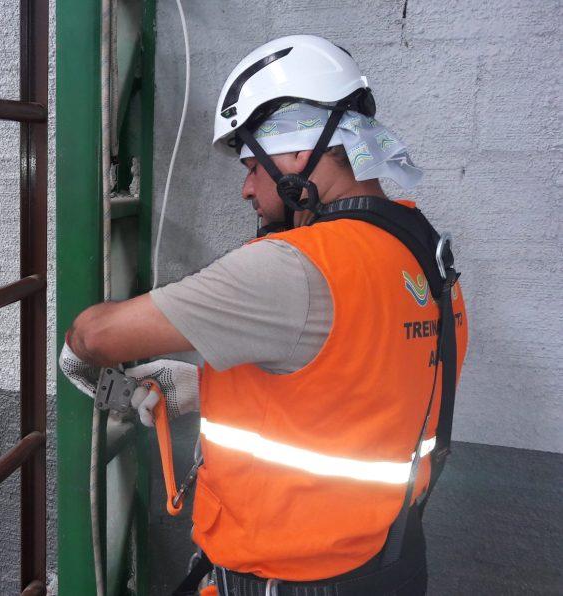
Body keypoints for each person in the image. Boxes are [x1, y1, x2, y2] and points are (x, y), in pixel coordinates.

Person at [59, 35, 469, 595]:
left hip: (284, 578)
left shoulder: (291, 268)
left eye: (252, 165)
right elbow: (361, 380)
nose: (247, 189)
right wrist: (208, 387)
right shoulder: (427, 257)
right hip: (390, 565)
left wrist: (75, 348)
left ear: (299, 154)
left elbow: (96, 336)